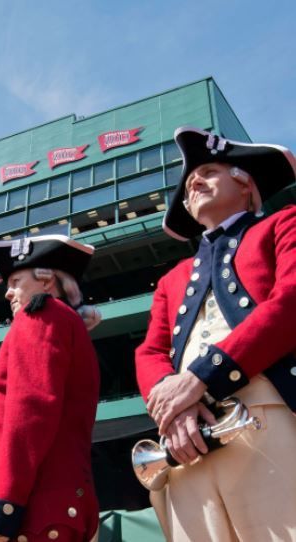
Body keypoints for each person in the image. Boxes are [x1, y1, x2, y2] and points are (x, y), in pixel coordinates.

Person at [135, 126, 296, 541]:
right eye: (190, 183)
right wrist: (175, 410)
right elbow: (149, 352)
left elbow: (291, 300)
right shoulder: (171, 279)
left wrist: (200, 379)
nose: (195, 184)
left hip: (270, 412)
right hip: (185, 439)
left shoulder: (285, 224)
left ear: (245, 183)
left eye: (208, 172)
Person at [0, 234, 102, 542]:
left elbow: (31, 410)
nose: (8, 293)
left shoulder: (42, 313)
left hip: (32, 512)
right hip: (53, 506)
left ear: (46, 280)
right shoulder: (66, 321)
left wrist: (3, 506)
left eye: (15, 281)